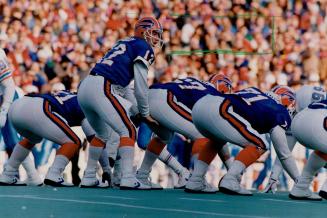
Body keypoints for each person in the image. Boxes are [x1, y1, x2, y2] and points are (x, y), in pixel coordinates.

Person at [77, 17, 163, 189]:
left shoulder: (124, 42)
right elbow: (140, 85)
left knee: (102, 134)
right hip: (103, 86)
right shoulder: (142, 46)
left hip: (86, 86)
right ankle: (128, 177)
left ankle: (88, 176)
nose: (156, 38)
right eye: (153, 33)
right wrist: (145, 112)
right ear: (142, 31)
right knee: (128, 129)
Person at [186, 86, 300, 195]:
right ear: (288, 103)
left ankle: (196, 179)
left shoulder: (256, 93)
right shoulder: (279, 110)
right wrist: (300, 181)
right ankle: (230, 178)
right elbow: (284, 154)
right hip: (221, 109)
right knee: (260, 144)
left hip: (202, 105)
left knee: (217, 139)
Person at [136, 74, 234, 192]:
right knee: (203, 135)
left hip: (150, 94)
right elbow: (219, 137)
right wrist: (232, 172)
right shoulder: (214, 95)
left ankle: (142, 176)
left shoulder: (197, 84)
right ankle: (197, 180)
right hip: (165, 98)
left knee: (164, 136)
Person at [0, 90, 110, 187]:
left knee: (32, 138)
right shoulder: (87, 105)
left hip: (18, 106)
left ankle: (8, 173)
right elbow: (95, 139)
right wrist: (106, 169)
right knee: (73, 142)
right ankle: (54, 174)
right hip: (38, 107)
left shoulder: (71, 95)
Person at [0, 48, 42, 186]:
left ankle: (33, 176)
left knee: (12, 140)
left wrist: (4, 110)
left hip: (6, 98)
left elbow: (9, 86)